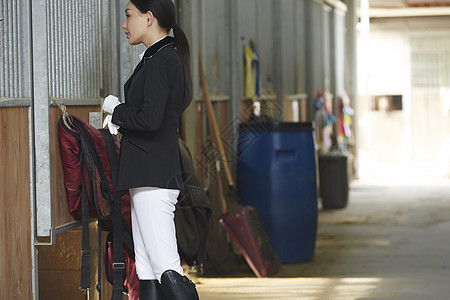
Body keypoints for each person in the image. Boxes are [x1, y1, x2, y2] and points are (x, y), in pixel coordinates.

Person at [101, 1, 199, 299]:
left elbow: (150, 118)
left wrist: (117, 110)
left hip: (153, 176)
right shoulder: (156, 58)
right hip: (147, 174)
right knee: (146, 270)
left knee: (166, 268)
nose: (124, 23)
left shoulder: (162, 61)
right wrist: (123, 122)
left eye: (128, 16)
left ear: (148, 17)